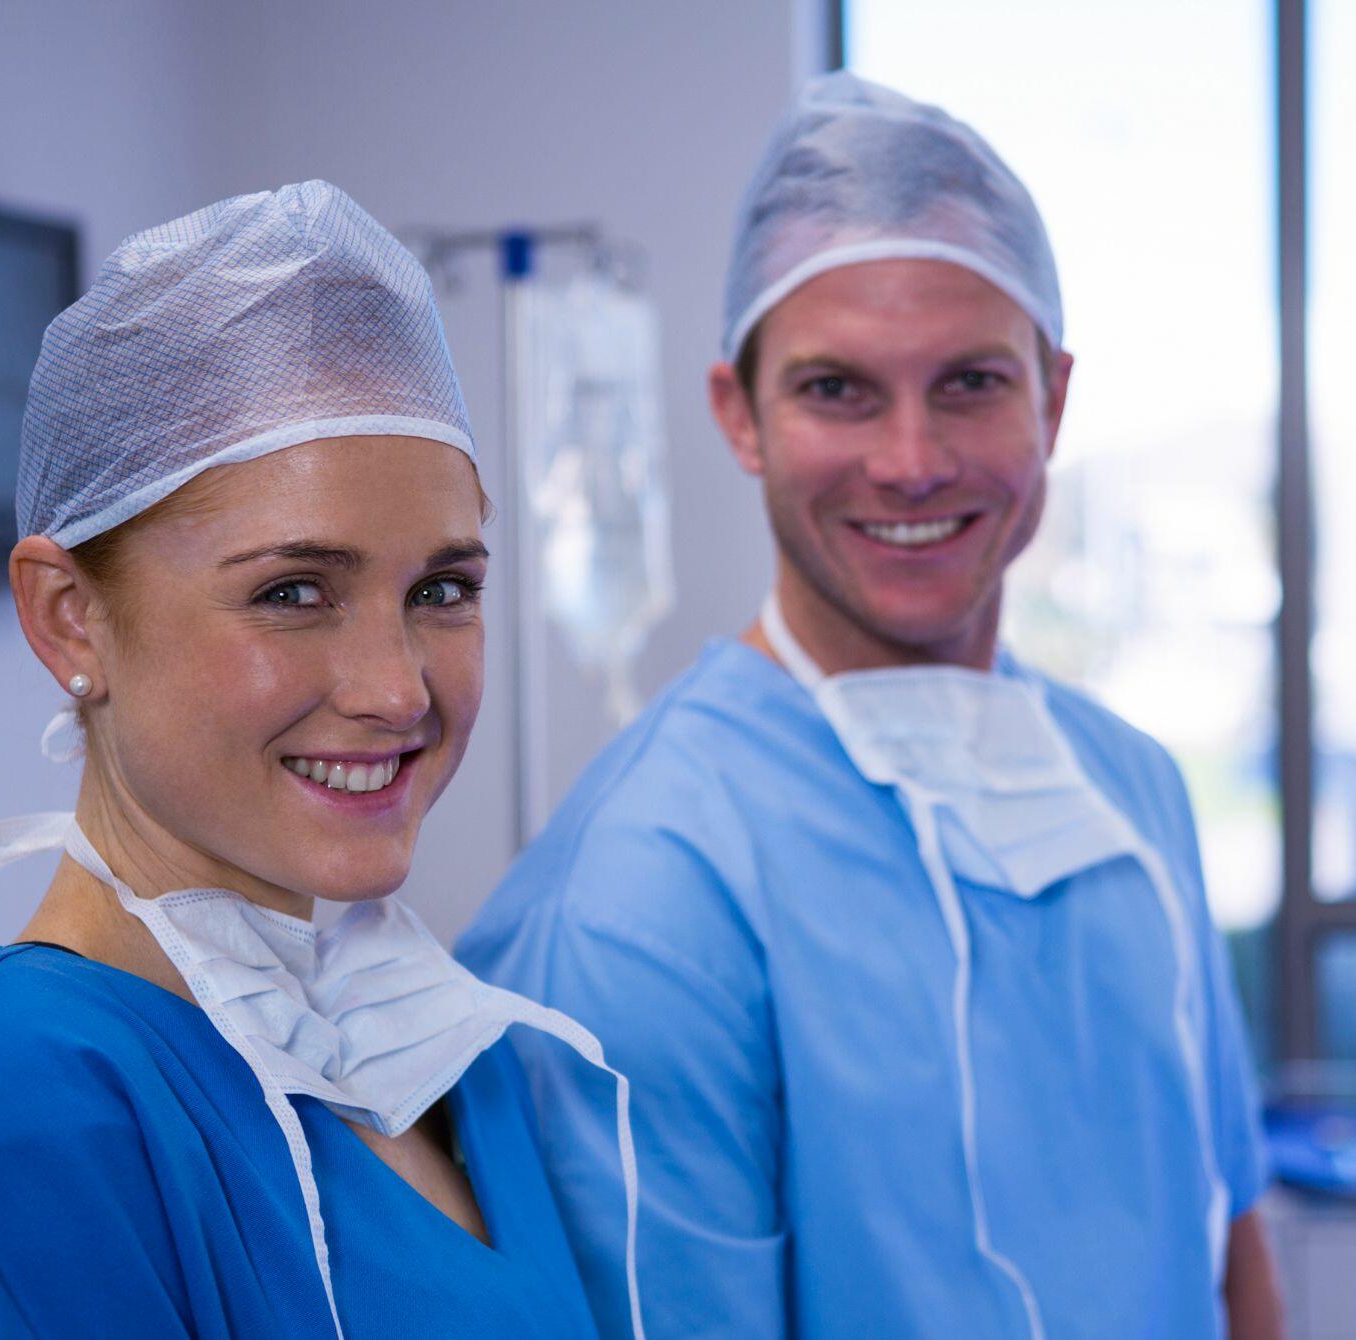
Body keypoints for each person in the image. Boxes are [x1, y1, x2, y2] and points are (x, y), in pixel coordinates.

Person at [459, 74, 1283, 1339]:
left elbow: (1229, 1244)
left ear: (1053, 400)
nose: (910, 461)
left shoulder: (1132, 792)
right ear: (739, 415)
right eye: (836, 389)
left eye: (970, 382)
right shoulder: (641, 898)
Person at [0, 182, 640, 1340]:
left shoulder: (443, 1055)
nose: (396, 688)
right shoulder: (3, 1106)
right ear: (68, 616)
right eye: (294, 591)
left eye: (440, 588)